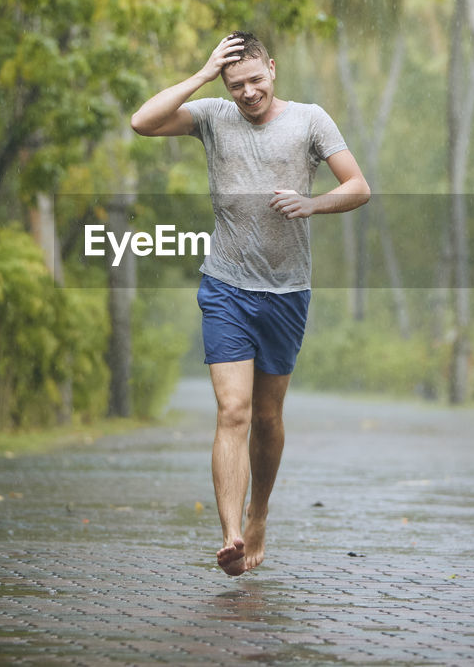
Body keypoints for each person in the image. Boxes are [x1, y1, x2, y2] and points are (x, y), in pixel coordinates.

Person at [130, 31, 370, 576]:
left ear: (274, 71)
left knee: (266, 416)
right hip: (226, 286)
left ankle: (258, 511)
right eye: (236, 84)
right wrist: (202, 73)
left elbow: (358, 186)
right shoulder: (214, 115)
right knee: (233, 410)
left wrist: (312, 204)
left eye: (256, 81)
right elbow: (142, 122)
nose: (248, 94)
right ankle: (232, 534)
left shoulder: (310, 119)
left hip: (287, 292)